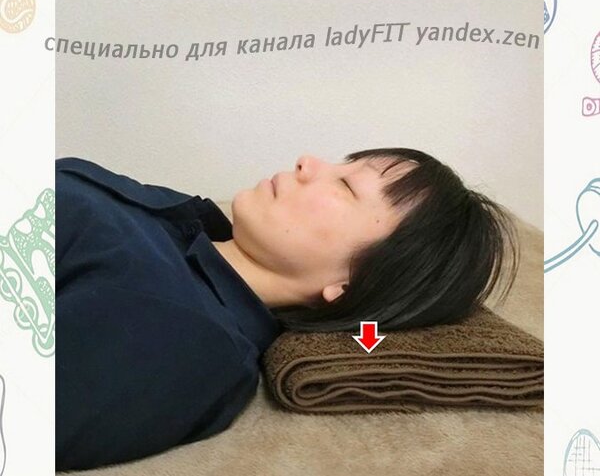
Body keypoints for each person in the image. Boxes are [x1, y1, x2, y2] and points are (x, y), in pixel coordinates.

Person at [55, 147, 519, 470]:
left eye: (346, 186)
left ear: (349, 284)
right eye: (342, 163)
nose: (307, 161)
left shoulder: (190, 339)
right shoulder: (171, 213)